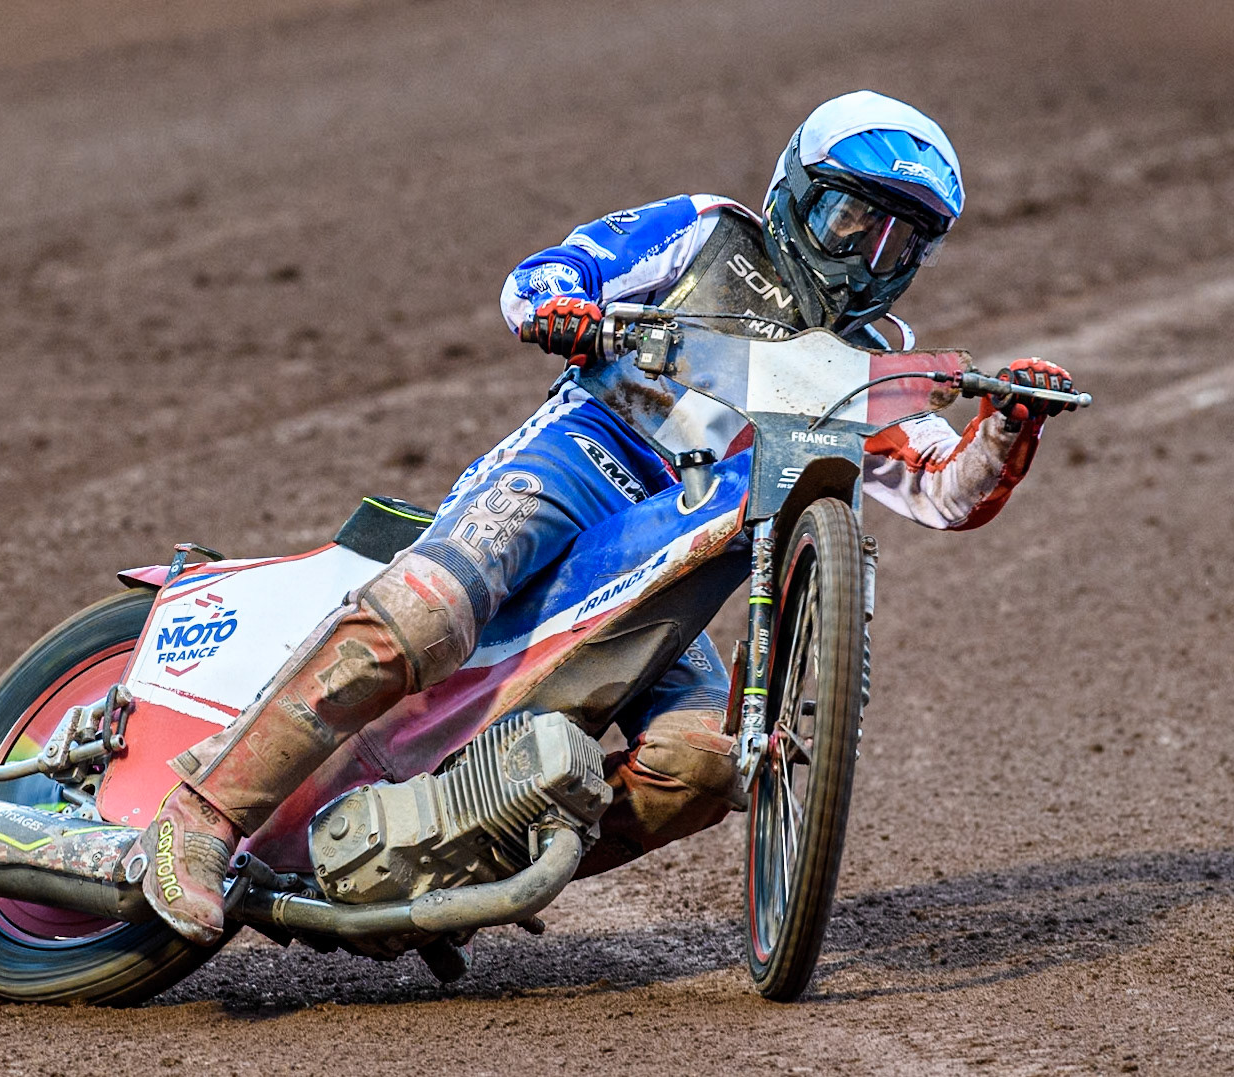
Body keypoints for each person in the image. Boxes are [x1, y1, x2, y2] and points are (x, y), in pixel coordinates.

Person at [140, 90, 1075, 946]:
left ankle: (469, 872)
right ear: (795, 191)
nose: (870, 257)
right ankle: (200, 816)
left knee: (705, 763)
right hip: (578, 465)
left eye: (900, 242)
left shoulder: (874, 361)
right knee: (424, 614)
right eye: (852, 218)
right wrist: (562, 307)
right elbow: (546, 273)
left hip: (676, 556)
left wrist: (1003, 426)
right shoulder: (710, 235)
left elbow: (942, 491)